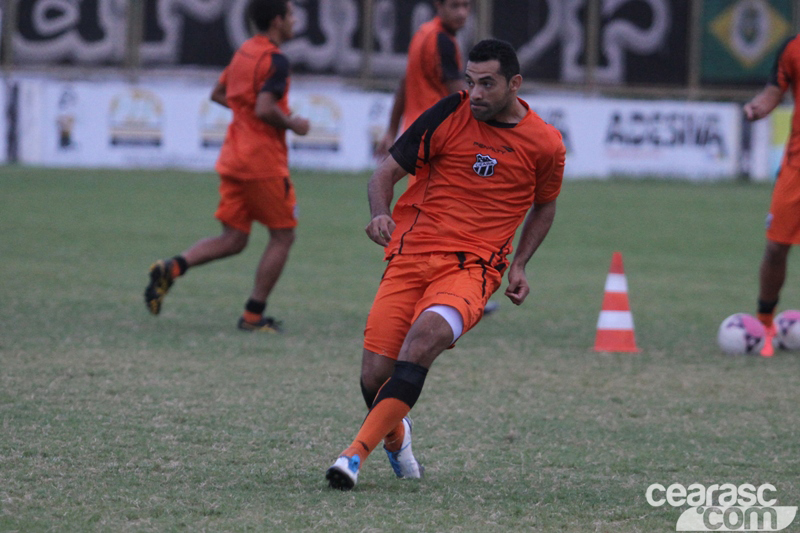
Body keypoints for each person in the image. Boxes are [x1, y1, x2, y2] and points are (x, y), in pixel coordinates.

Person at [326, 39, 566, 490]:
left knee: (423, 341)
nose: (474, 94)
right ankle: (397, 438)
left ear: (515, 84)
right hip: (411, 254)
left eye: (487, 84)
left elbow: (545, 206)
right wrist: (380, 211)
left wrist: (520, 264)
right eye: (471, 82)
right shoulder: (448, 113)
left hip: (472, 268)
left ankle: (352, 456)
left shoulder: (545, 144)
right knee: (374, 377)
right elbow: (383, 175)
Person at [143, 0, 309, 333]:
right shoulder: (275, 60)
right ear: (277, 21)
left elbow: (220, 93)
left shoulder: (246, 51)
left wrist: (246, 110)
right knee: (283, 236)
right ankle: (252, 316)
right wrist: (293, 123)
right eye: (290, 14)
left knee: (234, 238)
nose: (294, 20)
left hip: (234, 158)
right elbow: (264, 108)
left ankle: (172, 268)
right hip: (262, 164)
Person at [743, 34, 800, 357]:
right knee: (776, 247)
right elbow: (772, 93)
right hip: (796, 167)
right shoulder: (792, 48)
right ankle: (764, 322)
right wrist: (758, 108)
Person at [375, 0, 470, 159]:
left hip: (415, 134)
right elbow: (460, 94)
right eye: (455, 6)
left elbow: (405, 84)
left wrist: (392, 131)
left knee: (420, 184)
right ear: (438, 5)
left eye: (466, 5)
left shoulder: (423, 33)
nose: (462, 13)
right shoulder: (442, 40)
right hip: (437, 136)